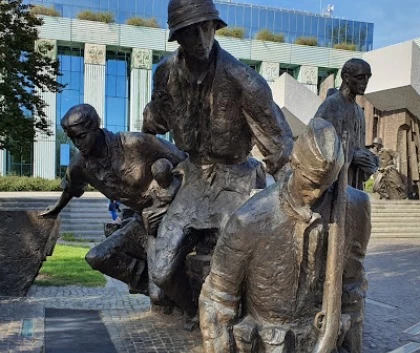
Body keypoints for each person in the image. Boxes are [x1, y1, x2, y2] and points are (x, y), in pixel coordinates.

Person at [142, 0, 293, 315]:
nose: (201, 39)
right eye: (190, 32)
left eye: (206, 27)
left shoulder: (244, 81)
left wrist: (296, 200)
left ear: (215, 26)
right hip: (193, 178)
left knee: (232, 266)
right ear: (177, 36)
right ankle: (193, 312)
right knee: (160, 276)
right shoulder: (165, 75)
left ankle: (230, 323)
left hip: (234, 179)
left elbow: (279, 145)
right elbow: (155, 121)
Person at [199, 118, 371, 353]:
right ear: (294, 163)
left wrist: (351, 341)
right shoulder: (250, 220)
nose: (317, 194)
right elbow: (217, 301)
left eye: (326, 185)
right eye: (311, 183)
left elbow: (353, 284)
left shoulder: (355, 206)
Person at [39, 104, 187, 294]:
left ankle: (168, 293)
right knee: (98, 257)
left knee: (164, 279)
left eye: (81, 136)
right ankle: (153, 286)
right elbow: (70, 188)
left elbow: (184, 162)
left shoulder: (135, 143)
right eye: (72, 138)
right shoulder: (80, 165)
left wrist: (167, 196)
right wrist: (56, 209)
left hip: (175, 210)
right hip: (142, 220)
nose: (77, 143)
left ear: (95, 127)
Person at [315, 59, 378, 190]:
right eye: (360, 77)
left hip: (353, 183)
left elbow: (358, 147)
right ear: (346, 77)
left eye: (368, 77)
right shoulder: (332, 105)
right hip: (332, 187)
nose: (365, 82)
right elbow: (316, 144)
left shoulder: (359, 111)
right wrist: (352, 155)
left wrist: (369, 159)